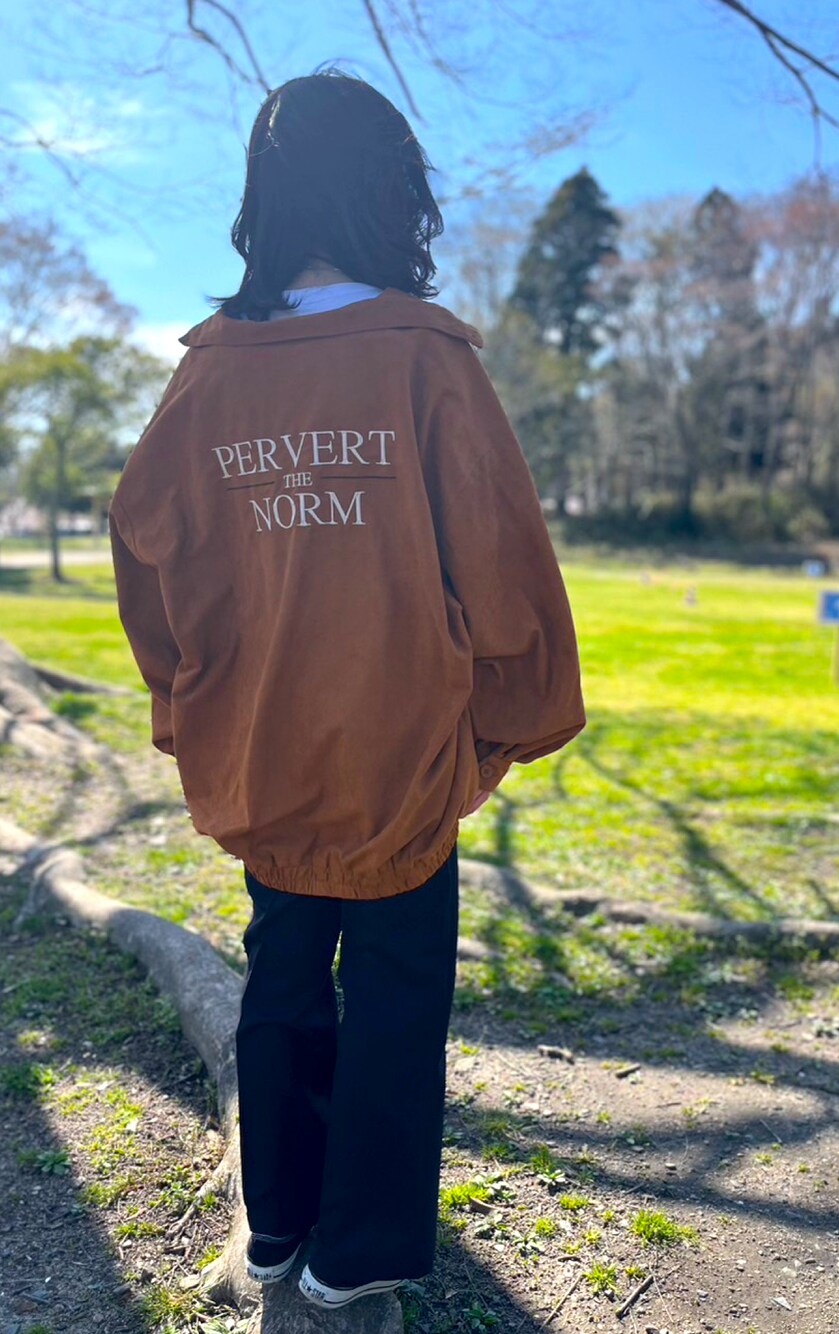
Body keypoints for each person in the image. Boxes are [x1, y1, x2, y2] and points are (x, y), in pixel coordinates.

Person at [108, 68, 586, 1313]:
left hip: (266, 744)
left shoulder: (209, 375)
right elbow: (503, 560)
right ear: (391, 190)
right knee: (393, 992)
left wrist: (187, 700)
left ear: (263, 200)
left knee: (280, 969)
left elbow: (144, 549)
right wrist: (503, 724)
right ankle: (358, 1244)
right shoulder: (423, 357)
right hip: (401, 752)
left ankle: (276, 1221)